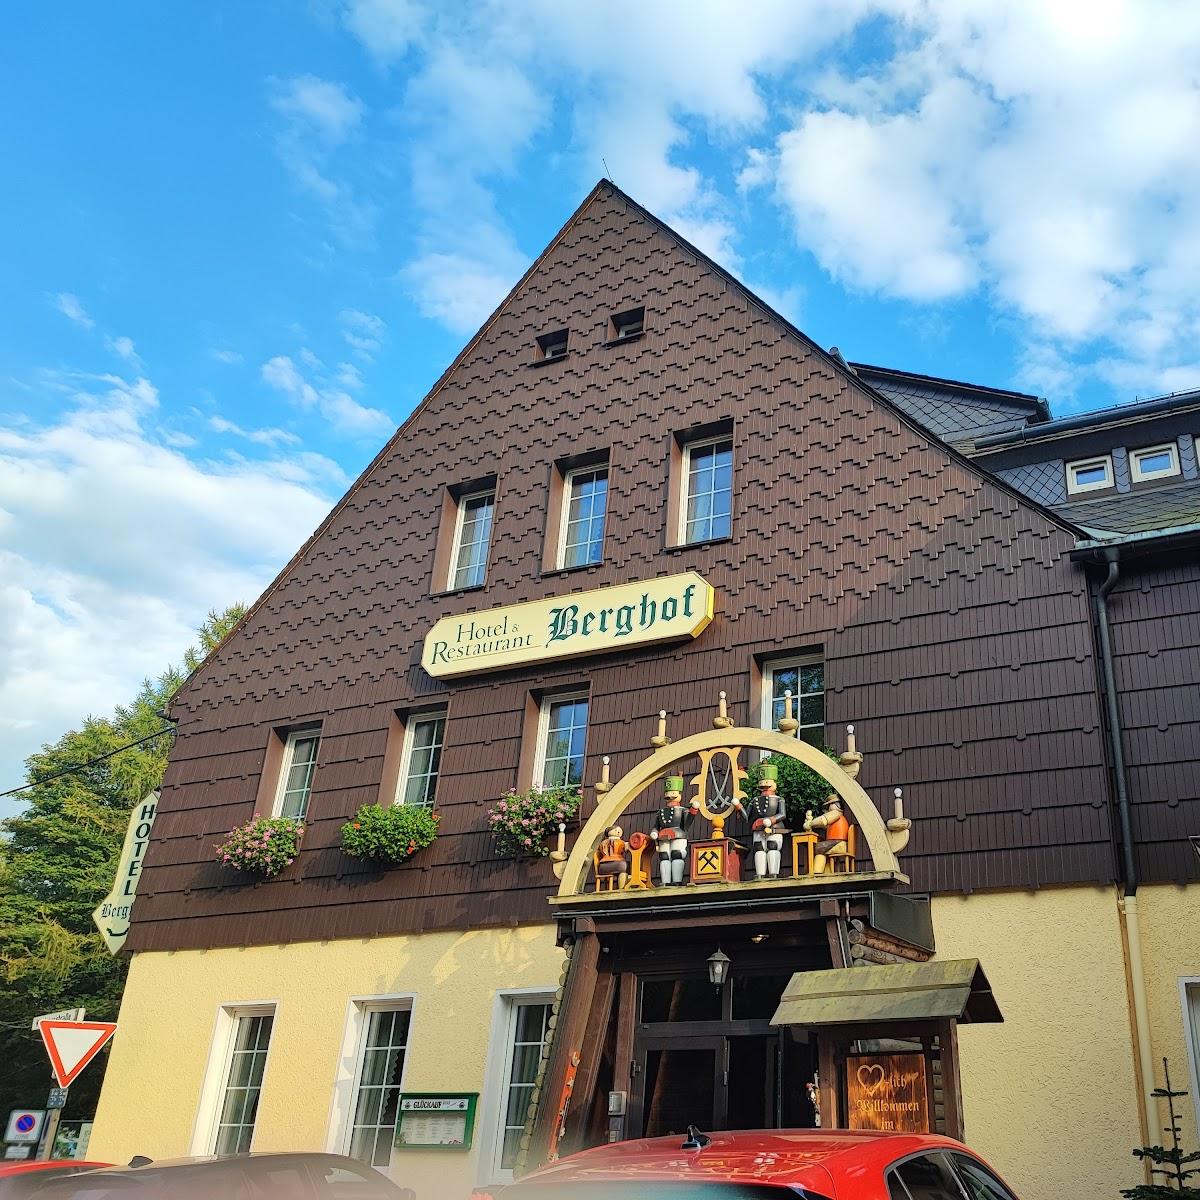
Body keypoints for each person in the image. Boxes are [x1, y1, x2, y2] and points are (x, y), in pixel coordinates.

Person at [744, 763, 787, 878]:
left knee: (773, 846)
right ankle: (760, 874)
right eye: (762, 781)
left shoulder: (779, 799)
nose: (764, 784)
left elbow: (782, 814)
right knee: (759, 848)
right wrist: (739, 807)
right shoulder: (754, 800)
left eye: (768, 781)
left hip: (774, 828)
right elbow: (747, 816)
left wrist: (772, 820)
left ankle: (773, 873)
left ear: (774, 784)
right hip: (758, 828)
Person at [651, 776, 695, 885]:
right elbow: (656, 825)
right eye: (668, 793)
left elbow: (687, 823)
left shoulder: (682, 810)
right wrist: (655, 832)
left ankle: (677, 881)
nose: (670, 796)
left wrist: (693, 811)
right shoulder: (660, 812)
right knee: (664, 857)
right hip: (663, 837)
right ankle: (665, 881)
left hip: (678, 835)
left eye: (673, 793)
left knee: (677, 855)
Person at [805, 794, 850, 874]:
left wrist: (810, 823)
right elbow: (828, 827)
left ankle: (817, 871)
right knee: (824, 848)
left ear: (834, 804)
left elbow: (823, 820)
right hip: (839, 843)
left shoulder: (835, 813)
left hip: (838, 842)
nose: (828, 808)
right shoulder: (840, 816)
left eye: (829, 805)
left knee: (818, 848)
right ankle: (827, 872)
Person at [595, 824, 629, 890]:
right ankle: (622, 888)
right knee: (625, 867)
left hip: (602, 866)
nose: (618, 832)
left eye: (619, 830)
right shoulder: (620, 842)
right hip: (615, 864)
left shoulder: (602, 842)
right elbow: (626, 849)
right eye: (616, 830)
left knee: (625, 866)